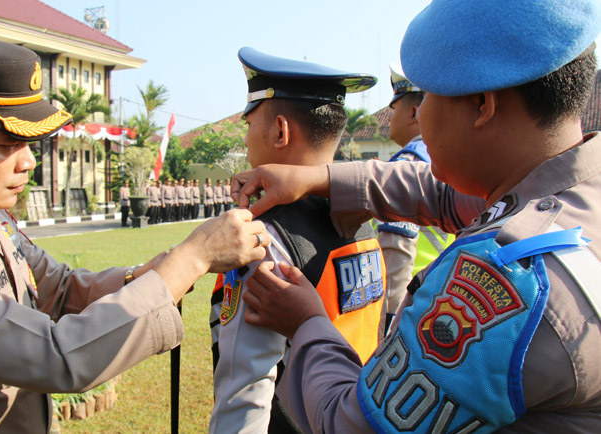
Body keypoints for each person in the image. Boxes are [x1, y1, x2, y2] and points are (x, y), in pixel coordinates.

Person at [0, 33, 271, 433]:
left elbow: (58, 289)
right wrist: (190, 259)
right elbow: (54, 356)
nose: (28, 163)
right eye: (6, 147)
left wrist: (145, 275)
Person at [232, 1, 601, 432]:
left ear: (482, 104)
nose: (416, 113)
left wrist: (307, 323)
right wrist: (317, 178)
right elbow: (438, 195)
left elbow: (356, 425)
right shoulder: (566, 192)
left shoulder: (507, 282)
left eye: (426, 95)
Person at [210, 47, 385, 434]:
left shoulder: (264, 236)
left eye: (248, 123)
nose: (247, 135)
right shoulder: (361, 216)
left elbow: (245, 391)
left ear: (279, 131)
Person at [377, 63, 456, 321]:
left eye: (394, 109)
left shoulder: (406, 165)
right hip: (439, 295)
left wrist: (388, 319)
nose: (390, 118)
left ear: (413, 112)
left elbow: (397, 251)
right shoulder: (448, 158)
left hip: (408, 305)